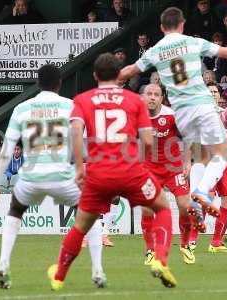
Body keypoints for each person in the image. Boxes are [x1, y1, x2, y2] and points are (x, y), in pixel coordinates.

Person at [118, 6, 227, 229]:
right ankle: (202, 194)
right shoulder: (192, 42)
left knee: (201, 157)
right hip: (202, 105)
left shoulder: (154, 50)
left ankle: (196, 204)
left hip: (181, 112)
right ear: (182, 24)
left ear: (161, 27)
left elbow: (129, 71)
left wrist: (110, 82)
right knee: (222, 154)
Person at [48, 53, 177, 291]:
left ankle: (59, 275)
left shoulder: (82, 99)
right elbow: (148, 141)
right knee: (162, 207)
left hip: (98, 174)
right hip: (131, 172)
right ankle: (160, 259)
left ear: (95, 75)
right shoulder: (134, 100)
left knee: (81, 225)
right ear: (119, 75)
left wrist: (79, 168)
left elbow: (75, 133)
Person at [0, 64, 106, 289]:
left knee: (15, 210)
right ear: (60, 83)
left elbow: (6, 150)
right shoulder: (72, 106)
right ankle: (97, 270)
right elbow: (87, 147)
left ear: (38, 83)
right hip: (63, 177)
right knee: (93, 214)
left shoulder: (22, 108)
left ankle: (3, 262)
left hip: (31, 179)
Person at [140, 83, 194, 265]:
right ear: (143, 96)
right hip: (148, 168)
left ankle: (185, 245)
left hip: (173, 167)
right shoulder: (135, 115)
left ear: (162, 98)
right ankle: (150, 250)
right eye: (149, 93)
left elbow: (188, 136)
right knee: (147, 208)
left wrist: (187, 161)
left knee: (185, 206)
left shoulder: (171, 115)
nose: (153, 97)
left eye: (156, 94)